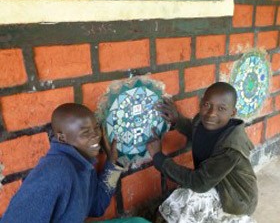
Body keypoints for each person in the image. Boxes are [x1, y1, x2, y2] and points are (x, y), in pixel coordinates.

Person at [1, 103, 150, 223]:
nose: (96, 136)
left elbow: (96, 207)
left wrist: (112, 164)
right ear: (62, 138)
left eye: (96, 128)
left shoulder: (83, 164)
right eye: (85, 132)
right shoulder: (55, 171)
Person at [147, 82, 258, 223]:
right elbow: (196, 131)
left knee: (190, 199)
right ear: (201, 103)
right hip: (215, 183)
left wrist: (159, 158)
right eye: (207, 105)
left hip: (236, 199)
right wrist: (177, 119)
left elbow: (200, 182)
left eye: (221, 108)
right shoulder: (201, 120)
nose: (211, 113)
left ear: (233, 112)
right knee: (182, 198)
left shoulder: (231, 148)